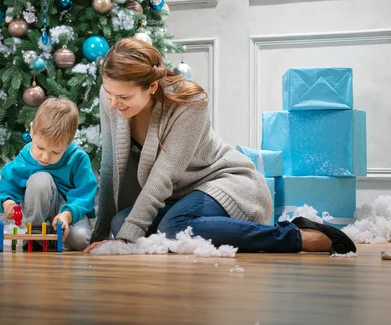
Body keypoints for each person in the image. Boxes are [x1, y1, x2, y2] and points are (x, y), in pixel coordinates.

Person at [84, 38, 356, 255]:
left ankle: (296, 236)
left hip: (224, 181)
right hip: (179, 198)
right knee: (122, 222)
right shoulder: (113, 99)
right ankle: (217, 229)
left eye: (123, 96)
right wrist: (101, 237)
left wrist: (126, 239)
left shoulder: (190, 102)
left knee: (171, 227)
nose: (112, 103)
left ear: (152, 86)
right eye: (108, 93)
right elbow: (110, 168)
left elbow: (162, 176)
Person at [0, 97, 97, 251]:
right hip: (38, 211)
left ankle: (53, 238)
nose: (45, 157)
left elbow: (85, 194)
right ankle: (36, 234)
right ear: (32, 131)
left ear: (69, 142)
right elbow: (6, 187)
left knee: (80, 240)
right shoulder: (25, 158)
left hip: (67, 211)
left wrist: (67, 215)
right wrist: (8, 203)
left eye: (55, 151)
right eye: (40, 147)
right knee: (40, 178)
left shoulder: (78, 158)